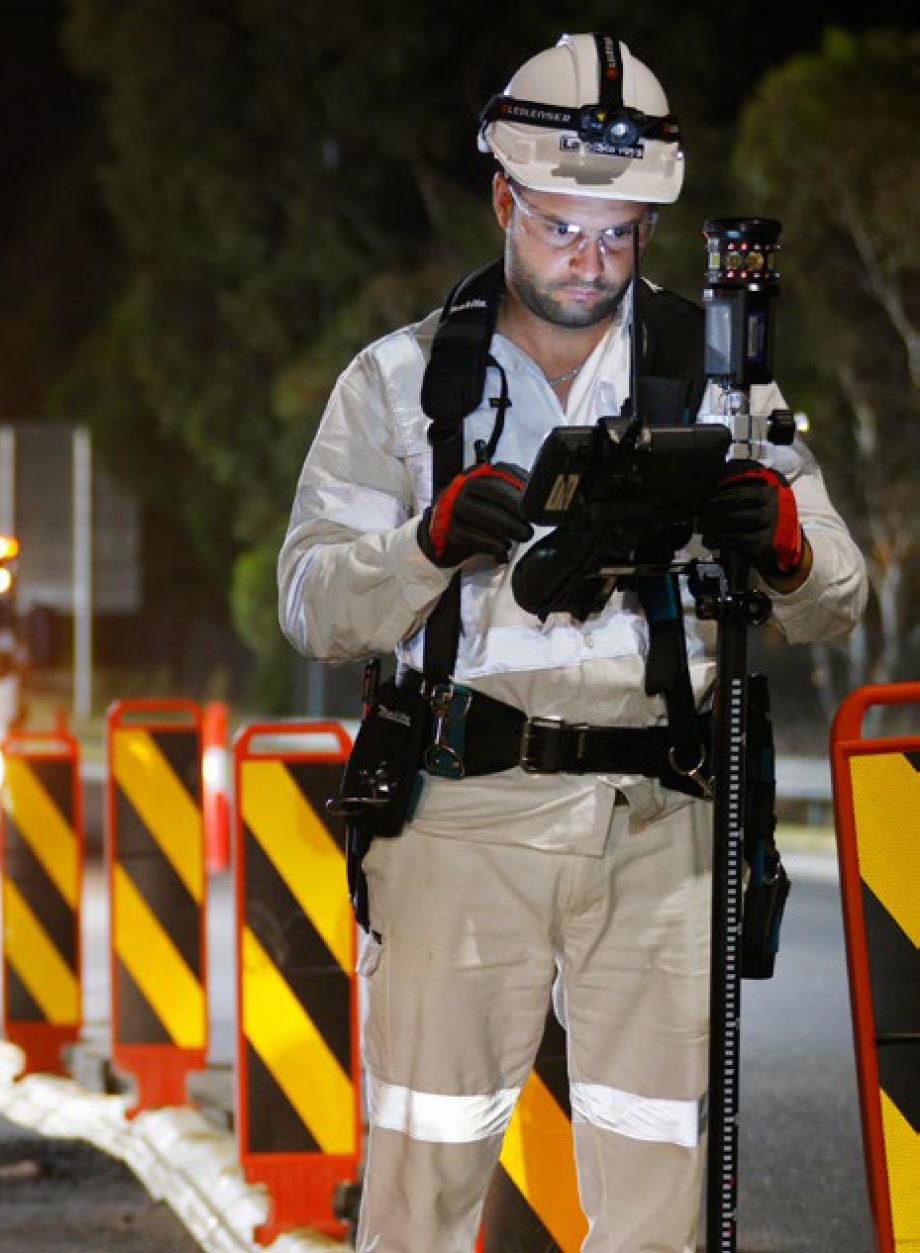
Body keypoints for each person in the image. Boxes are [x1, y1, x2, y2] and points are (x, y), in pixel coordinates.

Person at [277, 32, 867, 1253]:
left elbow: (836, 594)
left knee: (658, 1189)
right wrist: (427, 545)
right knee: (424, 1179)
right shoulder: (400, 386)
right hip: (458, 819)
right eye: (558, 227)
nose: (589, 261)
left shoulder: (716, 382)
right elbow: (312, 604)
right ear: (503, 196)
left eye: (617, 234)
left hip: (660, 822)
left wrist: (784, 545)